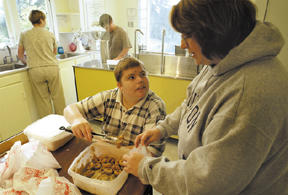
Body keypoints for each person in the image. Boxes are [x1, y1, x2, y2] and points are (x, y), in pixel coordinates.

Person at [122, 0, 288, 194]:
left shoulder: (249, 94)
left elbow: (207, 181)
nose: (182, 44)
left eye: (187, 36)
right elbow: (192, 104)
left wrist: (146, 168)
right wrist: (162, 129)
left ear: (213, 32)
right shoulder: (222, 59)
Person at [64, 57, 166, 157]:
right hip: (106, 154)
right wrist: (77, 119)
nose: (140, 80)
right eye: (132, 77)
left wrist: (110, 149)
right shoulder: (109, 97)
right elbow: (70, 109)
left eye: (143, 74)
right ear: (120, 85)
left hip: (136, 163)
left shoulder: (155, 106)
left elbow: (151, 151)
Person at [18, 10, 65, 118]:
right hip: (51, 67)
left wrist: (28, 62)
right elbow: (55, 52)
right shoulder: (49, 33)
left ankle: (49, 128)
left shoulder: (24, 34)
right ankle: (63, 124)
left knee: (43, 101)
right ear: (41, 20)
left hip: (35, 70)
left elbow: (20, 55)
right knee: (58, 97)